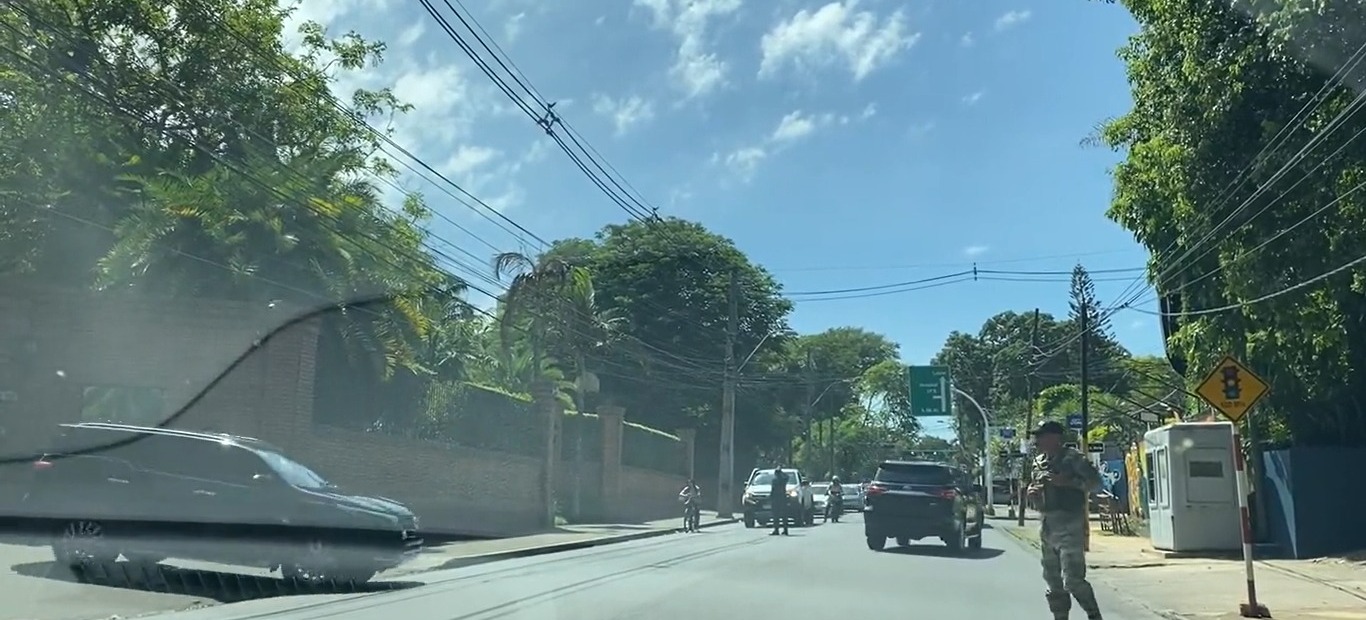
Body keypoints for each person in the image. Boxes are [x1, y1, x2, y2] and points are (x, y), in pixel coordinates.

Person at [1027, 420, 1104, 620]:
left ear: (1055, 437)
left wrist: (1068, 482)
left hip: (1070, 523)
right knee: (1052, 581)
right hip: (1047, 525)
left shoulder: (1074, 459)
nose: (1037, 441)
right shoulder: (1038, 462)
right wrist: (1032, 494)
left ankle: (1094, 615)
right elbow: (1036, 489)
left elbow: (1096, 484)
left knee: (1073, 580)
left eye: (1041, 436)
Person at [768, 466, 790, 536]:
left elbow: (773, 490)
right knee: (784, 516)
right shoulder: (783, 480)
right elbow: (787, 476)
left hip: (775, 500)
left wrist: (770, 498)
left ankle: (776, 530)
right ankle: (785, 530)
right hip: (783, 499)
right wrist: (781, 472)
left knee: (776, 516)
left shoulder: (774, 480)